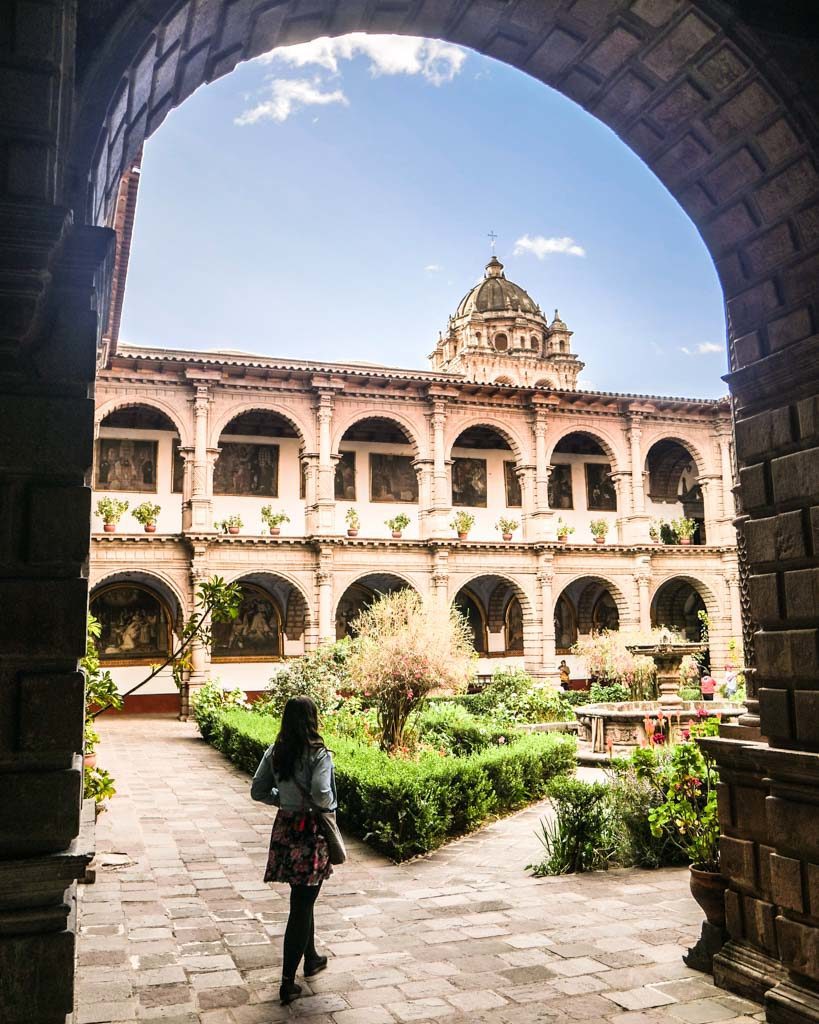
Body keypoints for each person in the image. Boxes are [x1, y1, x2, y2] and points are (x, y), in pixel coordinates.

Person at [251, 697, 337, 1006]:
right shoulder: (318, 755)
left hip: (286, 829)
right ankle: (288, 982)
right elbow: (322, 794)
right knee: (302, 904)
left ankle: (311, 957)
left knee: (303, 896)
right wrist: (324, 807)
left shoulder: (277, 752)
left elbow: (257, 790)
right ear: (312, 719)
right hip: (310, 833)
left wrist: (283, 801)